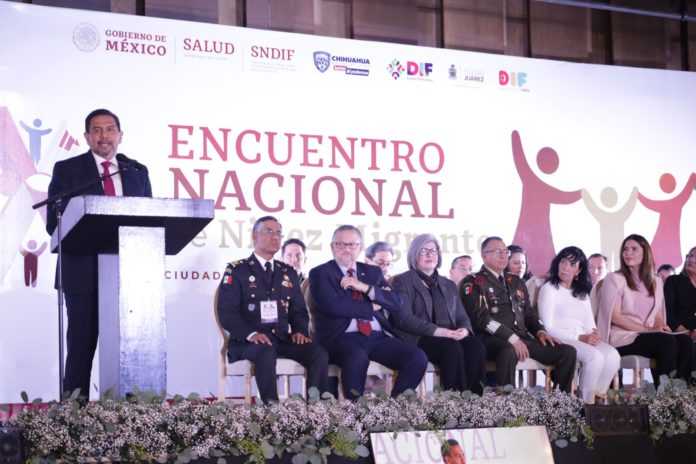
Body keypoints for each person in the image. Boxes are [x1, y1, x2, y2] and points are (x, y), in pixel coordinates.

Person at [46, 108, 152, 398]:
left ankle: (133, 418)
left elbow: (149, 218)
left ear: (120, 135)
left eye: (110, 129)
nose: (104, 135)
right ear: (86, 136)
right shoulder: (67, 170)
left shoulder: (136, 171)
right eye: (97, 130)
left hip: (128, 275)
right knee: (81, 350)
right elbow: (53, 224)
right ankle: (73, 416)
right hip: (82, 273)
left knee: (131, 352)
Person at [216, 216, 328, 403]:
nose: (275, 236)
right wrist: (251, 334)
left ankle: (317, 411)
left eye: (278, 233)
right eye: (269, 231)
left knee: (318, 353)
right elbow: (227, 312)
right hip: (247, 342)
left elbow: (298, 311)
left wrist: (299, 331)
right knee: (265, 351)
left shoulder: (288, 272)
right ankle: (272, 411)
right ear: (254, 236)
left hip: (280, 339)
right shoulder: (237, 270)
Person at [309, 225, 428, 400]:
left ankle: (394, 408)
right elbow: (334, 306)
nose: (346, 249)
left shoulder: (372, 272)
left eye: (352, 245)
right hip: (339, 338)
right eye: (340, 244)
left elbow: (396, 301)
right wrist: (373, 306)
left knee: (417, 357)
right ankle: (355, 412)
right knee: (357, 358)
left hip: (376, 337)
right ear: (332, 246)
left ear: (360, 247)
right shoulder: (320, 273)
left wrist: (365, 287)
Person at [459, 236, 577, 392]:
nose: (503, 256)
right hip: (492, 339)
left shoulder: (515, 281)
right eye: (498, 251)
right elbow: (481, 319)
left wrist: (540, 331)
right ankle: (507, 404)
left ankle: (560, 402)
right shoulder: (474, 281)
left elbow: (528, 313)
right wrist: (511, 338)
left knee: (567, 352)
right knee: (509, 351)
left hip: (522, 338)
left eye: (506, 252)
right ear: (484, 255)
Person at [391, 234, 486, 394]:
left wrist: (464, 330)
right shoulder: (402, 281)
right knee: (451, 348)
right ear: (414, 254)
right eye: (424, 251)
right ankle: (454, 401)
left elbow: (461, 316)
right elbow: (404, 319)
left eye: (433, 250)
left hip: (449, 335)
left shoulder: (448, 284)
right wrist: (438, 331)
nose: (430, 254)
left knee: (475, 345)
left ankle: (476, 401)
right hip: (419, 337)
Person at [596, 234, 694, 386]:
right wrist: (647, 329)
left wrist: (660, 325)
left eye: (634, 249)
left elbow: (659, 316)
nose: (628, 253)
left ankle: (680, 391)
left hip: (649, 335)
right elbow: (615, 317)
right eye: (625, 249)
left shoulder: (657, 281)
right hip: (623, 337)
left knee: (685, 341)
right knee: (666, 341)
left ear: (645, 253)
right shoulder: (614, 278)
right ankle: (664, 393)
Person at [537, 246, 620, 403]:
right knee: (594, 357)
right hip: (560, 338)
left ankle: (597, 399)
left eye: (572, 264)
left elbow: (589, 322)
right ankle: (585, 404)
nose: (565, 267)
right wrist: (579, 337)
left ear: (579, 270)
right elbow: (548, 327)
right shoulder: (549, 289)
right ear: (557, 263)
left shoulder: (581, 291)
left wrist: (594, 333)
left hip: (582, 337)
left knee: (612, 355)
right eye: (563, 262)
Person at [664, 246, 696, 341]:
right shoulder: (673, 281)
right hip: (678, 334)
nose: (691, 260)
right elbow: (667, 312)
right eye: (690, 256)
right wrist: (686, 332)